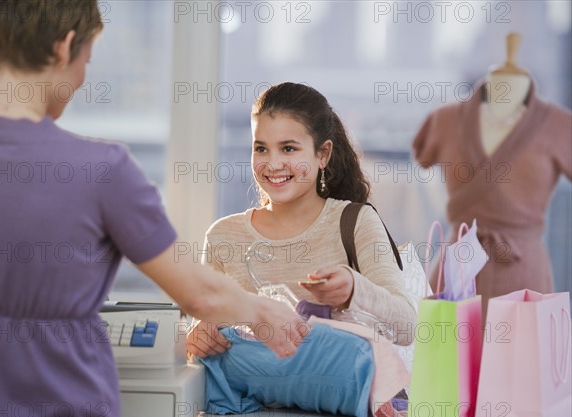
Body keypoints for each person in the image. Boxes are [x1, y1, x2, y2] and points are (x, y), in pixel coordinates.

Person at [0, 1, 305, 417]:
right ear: (65, 46)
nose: (80, 80)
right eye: (86, 61)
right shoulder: (100, 171)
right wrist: (262, 311)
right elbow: (197, 292)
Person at [187, 82, 417, 358]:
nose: (272, 164)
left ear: (323, 154)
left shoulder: (356, 222)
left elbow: (407, 327)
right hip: (247, 400)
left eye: (288, 149)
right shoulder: (223, 236)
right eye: (261, 149)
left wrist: (355, 290)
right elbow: (200, 329)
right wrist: (197, 336)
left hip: (337, 399)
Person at [412, 35, 571, 316]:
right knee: (445, 355)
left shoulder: (559, 126)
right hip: (457, 270)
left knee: (523, 355)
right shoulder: (445, 119)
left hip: (523, 273)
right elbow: (422, 158)